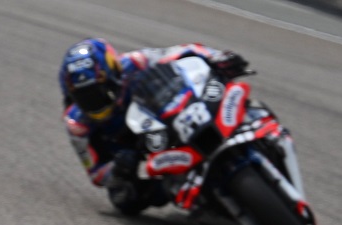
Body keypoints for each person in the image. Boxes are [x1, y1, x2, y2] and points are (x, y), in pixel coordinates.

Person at [59, 38, 249, 215]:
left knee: (226, 93)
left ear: (113, 74)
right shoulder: (77, 124)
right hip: (141, 152)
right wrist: (117, 168)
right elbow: (96, 173)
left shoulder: (134, 62)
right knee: (123, 199)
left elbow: (186, 51)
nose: (95, 102)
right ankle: (194, 192)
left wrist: (217, 58)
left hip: (170, 115)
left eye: (100, 91)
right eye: (85, 98)